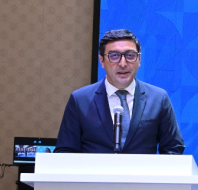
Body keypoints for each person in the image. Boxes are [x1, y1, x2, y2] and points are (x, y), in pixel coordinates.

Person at [55, 29, 185, 154]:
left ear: (139, 60)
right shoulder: (80, 100)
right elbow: (65, 151)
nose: (123, 64)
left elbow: (173, 148)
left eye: (130, 56)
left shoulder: (158, 98)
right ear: (102, 61)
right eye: (114, 56)